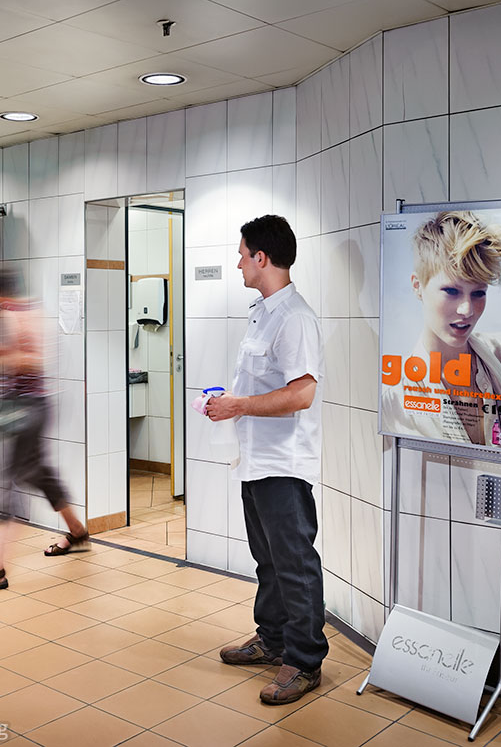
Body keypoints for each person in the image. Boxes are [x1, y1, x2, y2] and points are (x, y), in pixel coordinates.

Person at [206, 214, 327, 706]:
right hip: (255, 461)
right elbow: (263, 386)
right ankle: (272, 640)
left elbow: (302, 395)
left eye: (242, 254)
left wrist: (239, 405)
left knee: (294, 564)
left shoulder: (296, 317)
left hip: (284, 465)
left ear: (262, 257)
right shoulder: (263, 311)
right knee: (269, 562)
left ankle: (303, 661)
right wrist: (229, 403)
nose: (237, 263)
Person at [0, 266, 89, 594]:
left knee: (11, 483)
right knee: (39, 473)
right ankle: (77, 531)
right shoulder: (30, 309)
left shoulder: (9, 315)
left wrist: (0, 358)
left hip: (26, 407)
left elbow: (29, 360)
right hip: (36, 405)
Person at [380, 210, 501, 450]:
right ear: (418, 286)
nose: (467, 310)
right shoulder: (395, 398)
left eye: (479, 293)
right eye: (451, 291)